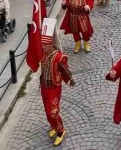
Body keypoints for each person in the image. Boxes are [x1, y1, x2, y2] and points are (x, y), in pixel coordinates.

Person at [39, 18, 75, 146]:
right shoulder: (43, 54)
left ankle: (61, 131)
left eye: (45, 45)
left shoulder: (58, 57)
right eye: (42, 44)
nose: (43, 47)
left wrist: (70, 79)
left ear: (51, 44)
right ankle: (53, 126)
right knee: (47, 110)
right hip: (44, 86)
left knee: (53, 111)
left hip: (54, 87)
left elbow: (65, 70)